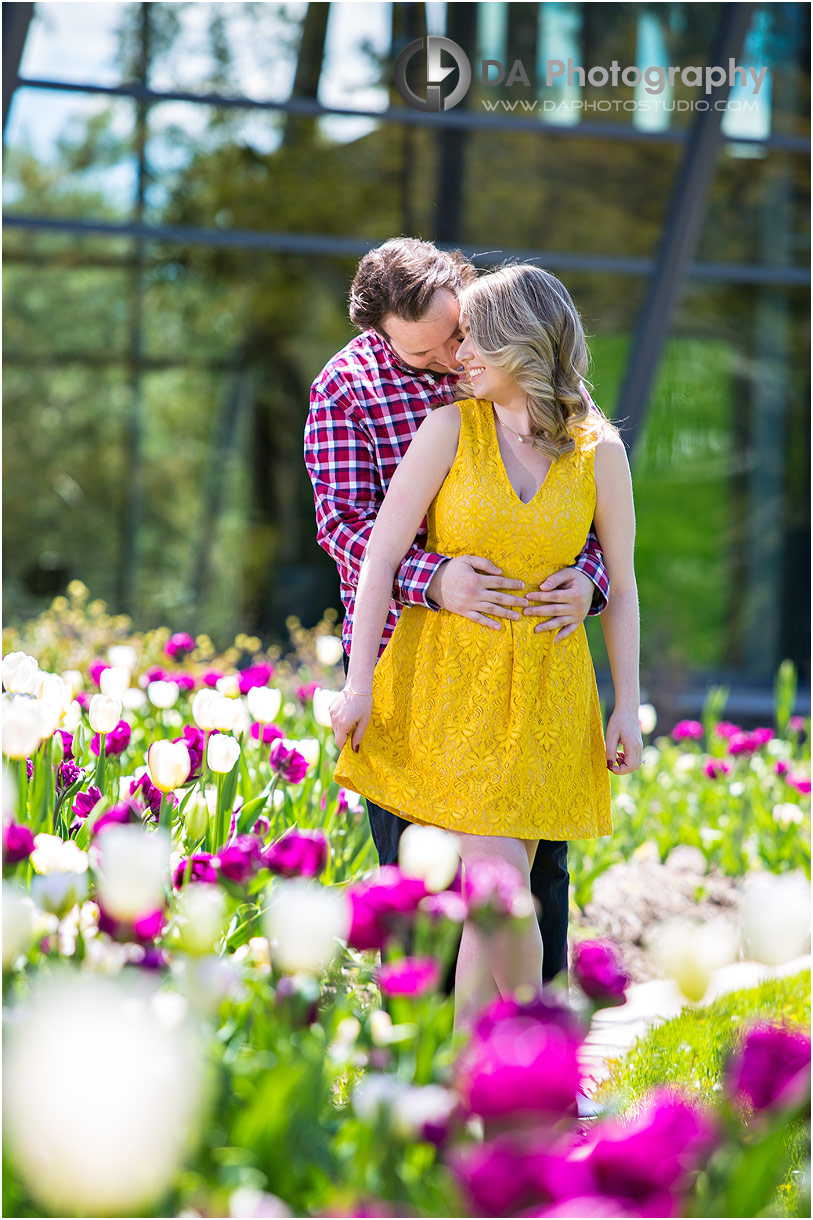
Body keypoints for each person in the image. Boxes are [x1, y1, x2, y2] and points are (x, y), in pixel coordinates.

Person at [330, 263, 642, 1029]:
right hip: (445, 687)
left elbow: (622, 586)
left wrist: (625, 705)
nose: (457, 354)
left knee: (489, 902)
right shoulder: (447, 430)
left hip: (545, 697)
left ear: (522, 346)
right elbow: (374, 556)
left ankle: (473, 1075)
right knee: (499, 885)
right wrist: (359, 683)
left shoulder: (598, 451)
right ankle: (540, 1060)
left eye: (472, 338)